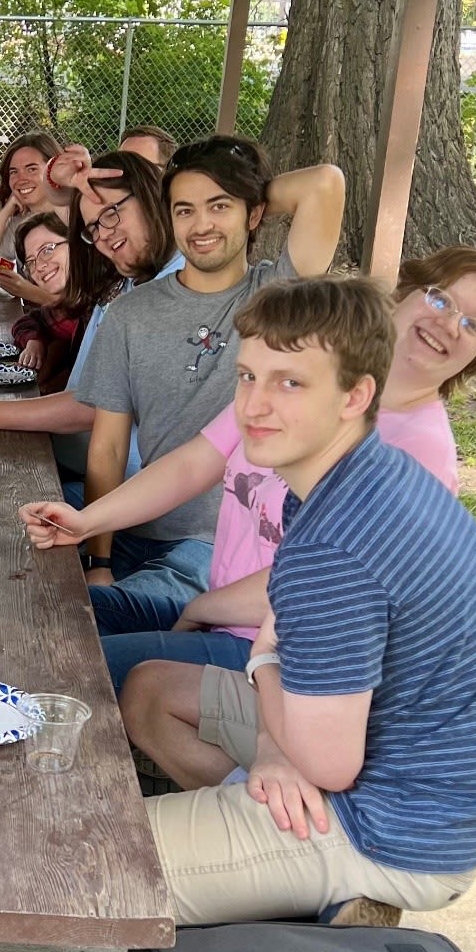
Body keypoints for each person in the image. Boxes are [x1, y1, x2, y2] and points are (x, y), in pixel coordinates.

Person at [123, 276, 476, 927]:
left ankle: (318, 875)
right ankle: (281, 867)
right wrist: (270, 744)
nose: (255, 405)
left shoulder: (341, 542)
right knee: (149, 690)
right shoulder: (353, 472)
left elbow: (327, 760)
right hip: (403, 761)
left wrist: (263, 670)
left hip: (405, 823)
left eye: (291, 383)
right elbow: (294, 651)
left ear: (356, 395)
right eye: (248, 376)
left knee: (93, 858)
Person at [22, 245, 476, 690]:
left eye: (473, 324)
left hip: (277, 654)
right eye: (440, 298)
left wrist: (202, 609)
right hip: (218, 611)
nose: (446, 324)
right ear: (409, 292)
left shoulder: (419, 452)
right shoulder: (312, 377)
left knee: (71, 667)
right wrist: (89, 521)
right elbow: (194, 462)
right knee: (51, 617)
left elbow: (324, 583)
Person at [74, 136, 344, 634]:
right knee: (34, 573)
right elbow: (108, 447)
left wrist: (245, 189)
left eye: (219, 207)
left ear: (254, 215)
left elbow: (325, 184)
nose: (200, 226)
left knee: (88, 622)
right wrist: (99, 563)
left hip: (214, 545)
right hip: (137, 523)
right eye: (184, 210)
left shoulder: (277, 296)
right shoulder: (130, 314)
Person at [0, 149, 175, 478]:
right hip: (73, 465)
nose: (104, 235)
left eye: (111, 213)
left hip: (121, 494)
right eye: (94, 228)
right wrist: (56, 183)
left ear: (154, 195)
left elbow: (93, 405)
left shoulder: (173, 287)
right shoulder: (129, 273)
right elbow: (38, 311)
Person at [0, 132, 64, 306]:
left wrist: (27, 291)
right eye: (14, 172)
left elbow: (84, 304)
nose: (21, 179)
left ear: (53, 170)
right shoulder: (19, 223)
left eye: (32, 169)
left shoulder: (76, 217)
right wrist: (5, 213)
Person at [8, 213, 85, 393]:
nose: (40, 266)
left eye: (48, 249)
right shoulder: (61, 310)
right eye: (31, 262)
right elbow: (30, 320)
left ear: (75, 243)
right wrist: (35, 341)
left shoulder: (101, 305)